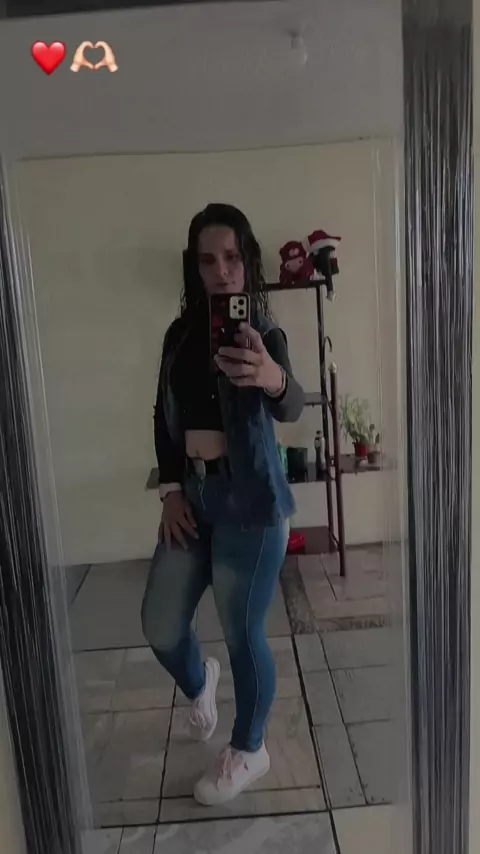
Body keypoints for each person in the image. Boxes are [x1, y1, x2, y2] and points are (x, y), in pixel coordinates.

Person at [141, 203, 305, 806]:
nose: (221, 271)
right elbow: (161, 416)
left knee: (242, 633)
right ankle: (199, 682)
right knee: (160, 623)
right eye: (208, 260)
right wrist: (170, 490)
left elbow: (293, 404)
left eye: (232, 258)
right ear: (195, 267)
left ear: (247, 261)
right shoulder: (180, 336)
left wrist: (271, 377)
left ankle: (250, 748)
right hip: (193, 498)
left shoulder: (265, 332)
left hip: (249, 504)